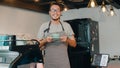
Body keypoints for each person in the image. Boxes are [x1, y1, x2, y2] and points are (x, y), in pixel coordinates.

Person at [37, 2, 76, 68]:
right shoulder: (43, 26)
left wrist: (67, 40)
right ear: (49, 12)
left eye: (58, 10)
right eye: (53, 10)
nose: (55, 12)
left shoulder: (67, 26)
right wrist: (45, 40)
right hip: (49, 63)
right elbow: (37, 46)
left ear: (60, 13)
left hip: (64, 64)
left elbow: (74, 44)